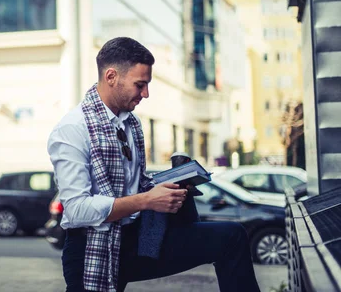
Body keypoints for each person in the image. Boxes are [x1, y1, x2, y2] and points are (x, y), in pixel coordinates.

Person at [47, 37, 260, 292]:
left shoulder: (132, 124)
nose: (145, 94)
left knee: (231, 237)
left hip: (137, 240)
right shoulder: (72, 129)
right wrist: (147, 200)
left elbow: (138, 184)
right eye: (140, 85)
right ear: (111, 76)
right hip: (92, 250)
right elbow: (77, 210)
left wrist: (173, 183)